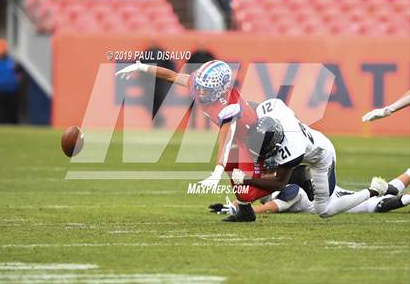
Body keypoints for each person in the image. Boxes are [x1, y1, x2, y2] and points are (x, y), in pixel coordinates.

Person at [116, 60, 283, 222]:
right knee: (232, 171)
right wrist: (142, 67)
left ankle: (285, 184)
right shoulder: (199, 83)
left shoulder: (229, 106)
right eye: (200, 88)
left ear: (221, 89)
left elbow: (226, 137)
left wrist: (217, 169)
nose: (201, 92)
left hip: (253, 141)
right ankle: (245, 211)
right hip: (240, 137)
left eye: (206, 90)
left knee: (245, 188)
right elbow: (172, 76)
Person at [232, 98, 388, 218]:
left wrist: (247, 180)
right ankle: (301, 178)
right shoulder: (271, 110)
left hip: (321, 157)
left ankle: (373, 190)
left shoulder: (292, 149)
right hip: (306, 144)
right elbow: (251, 108)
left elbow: (278, 184)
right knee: (266, 166)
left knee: (324, 210)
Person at [210, 169, 410, 215]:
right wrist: (233, 205)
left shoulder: (295, 192)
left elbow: (268, 207)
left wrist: (237, 210)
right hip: (346, 196)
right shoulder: (286, 188)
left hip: (357, 203)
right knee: (389, 190)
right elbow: (259, 193)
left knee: (380, 201)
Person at [0, 38, 20, 124]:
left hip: (12, 92)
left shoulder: (11, 62)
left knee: (12, 114)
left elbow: (17, 75)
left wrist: (16, 82)